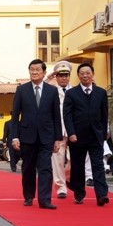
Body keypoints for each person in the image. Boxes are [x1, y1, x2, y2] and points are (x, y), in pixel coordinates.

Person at [11, 59, 62, 210]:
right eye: (31, 69)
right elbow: (15, 116)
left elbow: (56, 116)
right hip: (27, 136)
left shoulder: (52, 91)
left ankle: (45, 199)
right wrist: (14, 136)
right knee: (28, 168)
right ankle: (28, 196)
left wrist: (58, 139)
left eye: (37, 70)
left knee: (46, 168)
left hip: (47, 136)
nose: (34, 72)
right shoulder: (22, 90)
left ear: (44, 72)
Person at [63, 62, 110, 206]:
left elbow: (104, 114)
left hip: (96, 135)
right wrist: (71, 132)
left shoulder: (101, 93)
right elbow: (67, 115)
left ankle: (101, 195)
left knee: (98, 165)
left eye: (87, 73)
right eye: (82, 73)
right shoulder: (71, 93)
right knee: (77, 167)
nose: (85, 75)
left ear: (92, 74)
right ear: (78, 76)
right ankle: (79, 193)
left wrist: (103, 132)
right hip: (77, 136)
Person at [48, 61, 73, 199]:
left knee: (74, 159)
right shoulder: (51, 91)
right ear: (56, 77)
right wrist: (48, 78)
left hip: (73, 130)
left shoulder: (75, 90)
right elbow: (38, 90)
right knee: (57, 160)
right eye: (60, 75)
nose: (63, 78)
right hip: (57, 131)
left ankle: (68, 177)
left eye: (66, 75)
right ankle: (60, 187)